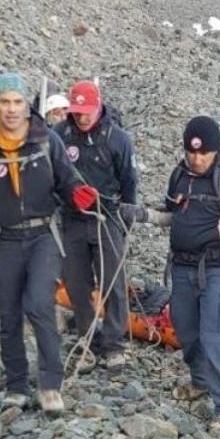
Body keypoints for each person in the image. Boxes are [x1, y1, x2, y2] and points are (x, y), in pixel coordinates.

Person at [0, 72, 99, 414]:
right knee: (9, 315)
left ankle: (50, 385)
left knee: (38, 304)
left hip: (42, 235)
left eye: (17, 102)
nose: (11, 109)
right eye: (4, 102)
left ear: (27, 105)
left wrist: (79, 194)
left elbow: (67, 179)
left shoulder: (46, 140)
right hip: (2, 238)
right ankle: (17, 386)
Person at [122, 116, 220, 430]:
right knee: (186, 330)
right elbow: (171, 216)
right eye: (191, 152)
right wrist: (143, 215)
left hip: (218, 268)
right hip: (183, 267)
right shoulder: (179, 175)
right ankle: (200, 382)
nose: (197, 158)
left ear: (214, 151)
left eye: (204, 153)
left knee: (215, 336)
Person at [55, 80, 138, 370]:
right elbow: (51, 176)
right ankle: (86, 339)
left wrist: (126, 214)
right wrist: (67, 194)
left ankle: (115, 343)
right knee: (77, 283)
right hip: (73, 220)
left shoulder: (119, 139)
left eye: (87, 111)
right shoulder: (59, 136)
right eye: (77, 111)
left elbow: (129, 180)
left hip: (108, 218)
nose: (82, 117)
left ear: (98, 105)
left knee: (113, 281)